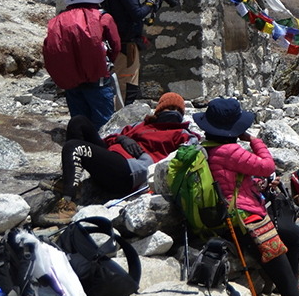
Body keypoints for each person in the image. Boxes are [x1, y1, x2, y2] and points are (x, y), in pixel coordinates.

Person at [196, 96, 299, 296]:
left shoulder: (210, 149)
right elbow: (267, 166)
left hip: (235, 214)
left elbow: (232, 182)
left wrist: (256, 185)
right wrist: (254, 141)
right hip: (246, 221)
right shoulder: (230, 151)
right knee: (283, 273)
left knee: (293, 235)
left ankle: (296, 293)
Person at [43, 92, 197, 223]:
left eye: (179, 110)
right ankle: (72, 183)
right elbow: (109, 138)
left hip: (130, 170)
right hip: (112, 157)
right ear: (159, 110)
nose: (174, 112)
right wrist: (121, 139)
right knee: (79, 122)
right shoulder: (140, 125)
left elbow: (187, 153)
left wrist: (145, 157)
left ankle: (67, 205)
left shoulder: (181, 134)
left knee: (74, 147)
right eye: (170, 108)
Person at [43, 0, 121, 129]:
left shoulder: (59, 20)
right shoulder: (104, 18)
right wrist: (106, 64)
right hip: (97, 79)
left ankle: (81, 147)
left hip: (71, 79)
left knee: (79, 121)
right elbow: (116, 46)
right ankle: (102, 149)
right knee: (103, 122)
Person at [103, 0, 159, 105]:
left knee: (129, 80)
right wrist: (151, 1)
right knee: (126, 80)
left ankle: (123, 111)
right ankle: (120, 115)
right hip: (125, 43)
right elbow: (137, 14)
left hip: (128, 41)